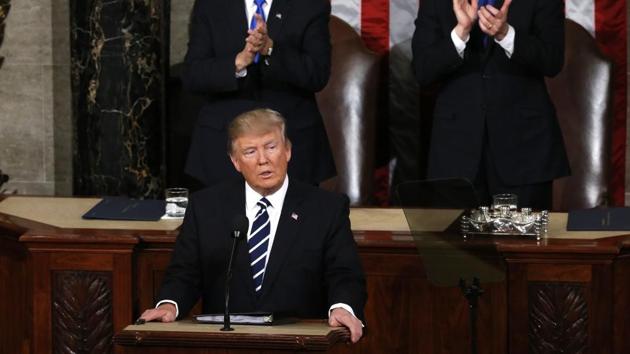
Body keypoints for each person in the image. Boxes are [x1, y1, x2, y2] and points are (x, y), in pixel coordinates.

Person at [140, 109, 366, 343]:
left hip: (300, 342)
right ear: (235, 162)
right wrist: (169, 304)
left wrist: (343, 308)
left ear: (287, 150)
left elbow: (344, 274)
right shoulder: (207, 207)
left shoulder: (326, 208)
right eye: (250, 151)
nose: (263, 160)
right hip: (226, 344)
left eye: (271, 147)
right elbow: (184, 273)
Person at [411, 0, 570, 210]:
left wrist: (506, 35)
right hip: (455, 153)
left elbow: (552, 60)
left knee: (523, 243)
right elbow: (422, 70)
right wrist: (460, 33)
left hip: (524, 151)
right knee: (456, 242)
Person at [182, 0, 336, 187]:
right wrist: (238, 62)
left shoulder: (309, 4)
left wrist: (270, 49)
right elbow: (193, 75)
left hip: (292, 147)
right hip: (221, 148)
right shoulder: (211, 4)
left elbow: (317, 74)